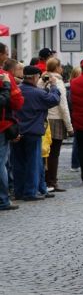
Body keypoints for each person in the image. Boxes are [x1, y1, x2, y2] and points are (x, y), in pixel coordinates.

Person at [13, 66, 60, 201]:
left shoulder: (18, 90)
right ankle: (30, 192)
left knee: (18, 163)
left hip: (17, 132)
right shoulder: (37, 93)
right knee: (33, 163)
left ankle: (19, 191)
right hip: (33, 132)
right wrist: (54, 86)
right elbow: (54, 99)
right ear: (35, 77)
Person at [36, 58, 73, 192]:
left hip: (43, 119)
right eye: (60, 66)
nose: (62, 69)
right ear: (57, 68)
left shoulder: (41, 80)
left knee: (44, 153)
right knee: (54, 154)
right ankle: (52, 181)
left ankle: (44, 181)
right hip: (56, 119)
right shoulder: (58, 82)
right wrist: (69, 126)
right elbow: (63, 106)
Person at [0, 55, 24, 211]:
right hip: (2, 124)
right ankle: (3, 199)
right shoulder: (4, 76)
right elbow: (17, 102)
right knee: (1, 162)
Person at [67, 66, 82, 171]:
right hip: (76, 116)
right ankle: (75, 163)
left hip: (76, 115)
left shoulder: (72, 86)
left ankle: (76, 163)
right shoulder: (73, 87)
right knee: (77, 141)